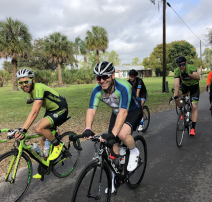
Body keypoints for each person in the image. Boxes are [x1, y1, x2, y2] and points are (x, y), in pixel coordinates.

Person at [82, 61, 143, 192]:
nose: (102, 80)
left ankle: (134, 151)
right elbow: (91, 110)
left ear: (113, 76)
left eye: (105, 77)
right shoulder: (97, 90)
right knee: (112, 146)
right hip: (117, 113)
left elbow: (124, 111)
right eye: (99, 78)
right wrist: (87, 128)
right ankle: (114, 179)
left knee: (121, 134)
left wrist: (114, 133)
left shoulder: (123, 86)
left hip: (133, 111)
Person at [15, 68, 68, 180]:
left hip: (60, 108)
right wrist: (30, 100)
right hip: (51, 110)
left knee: (38, 128)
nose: (24, 84)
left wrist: (23, 130)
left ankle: (58, 144)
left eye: (26, 81)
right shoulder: (32, 91)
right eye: (21, 82)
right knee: (43, 140)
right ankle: (45, 167)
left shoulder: (38, 87)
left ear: (33, 80)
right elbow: (35, 99)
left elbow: (35, 112)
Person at [174, 56, 200, 136]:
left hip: (194, 87)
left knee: (194, 107)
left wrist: (188, 75)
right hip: (184, 86)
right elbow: (177, 84)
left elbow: (197, 76)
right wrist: (176, 94)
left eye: (182, 64)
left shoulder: (191, 67)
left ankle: (193, 128)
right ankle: (181, 109)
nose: (181, 66)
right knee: (177, 96)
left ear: (186, 63)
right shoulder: (177, 71)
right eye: (179, 65)